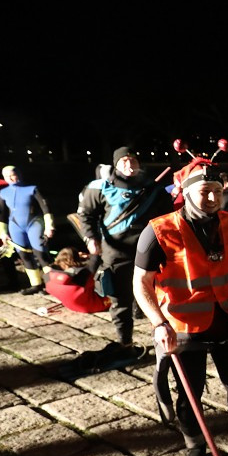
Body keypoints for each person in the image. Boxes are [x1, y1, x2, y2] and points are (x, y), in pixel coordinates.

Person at [134, 159, 228, 456]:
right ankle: (195, 446)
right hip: (183, 326)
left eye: (218, 191)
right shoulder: (158, 231)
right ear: (186, 193)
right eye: (205, 191)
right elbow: (141, 282)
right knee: (189, 392)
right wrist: (158, 323)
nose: (213, 198)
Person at [78, 147, 172, 351]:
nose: (129, 165)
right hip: (115, 251)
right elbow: (86, 214)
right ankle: (125, 342)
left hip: (147, 250)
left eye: (133, 161)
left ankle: (158, 331)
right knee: (120, 299)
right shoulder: (100, 187)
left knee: (153, 294)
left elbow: (168, 216)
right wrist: (91, 238)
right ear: (116, 164)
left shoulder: (153, 189)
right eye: (124, 161)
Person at [0, 165, 55, 294]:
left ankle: (52, 284)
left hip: (34, 223)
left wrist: (49, 226)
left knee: (41, 254)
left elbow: (46, 208)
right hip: (15, 226)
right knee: (24, 255)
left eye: (13, 174)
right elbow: (1, 214)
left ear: (19, 174)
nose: (11, 178)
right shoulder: (3, 193)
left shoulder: (32, 189)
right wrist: (2, 232)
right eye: (7, 176)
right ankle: (36, 284)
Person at [45, 247, 112, 313]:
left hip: (71, 305)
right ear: (77, 259)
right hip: (93, 305)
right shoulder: (81, 276)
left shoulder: (48, 276)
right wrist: (90, 255)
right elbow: (95, 261)